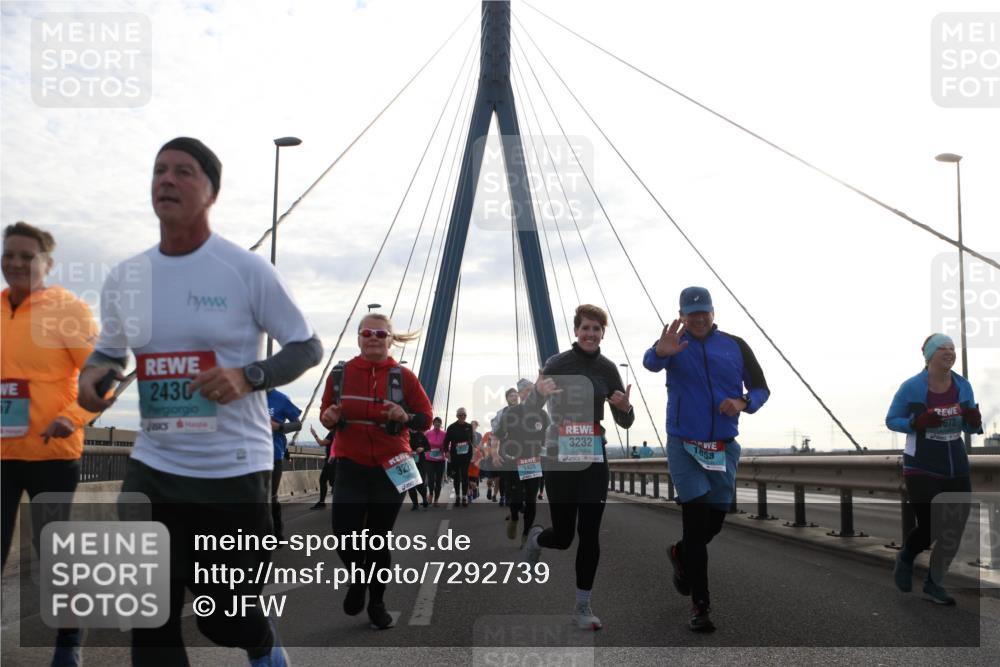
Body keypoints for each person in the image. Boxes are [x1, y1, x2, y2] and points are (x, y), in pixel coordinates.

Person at [78, 137, 323, 666]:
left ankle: (261, 646)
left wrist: (249, 375)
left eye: (183, 172)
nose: (166, 179)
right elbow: (107, 352)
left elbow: (307, 347)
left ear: (211, 192)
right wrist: (93, 374)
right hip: (152, 470)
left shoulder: (246, 270)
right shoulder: (126, 277)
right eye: (159, 170)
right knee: (150, 620)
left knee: (223, 617)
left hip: (232, 474)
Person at [642, 286, 769, 633]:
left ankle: (681, 554)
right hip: (685, 445)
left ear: (713, 313)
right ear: (682, 314)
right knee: (696, 525)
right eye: (691, 312)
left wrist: (743, 402)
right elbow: (651, 362)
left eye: (704, 311)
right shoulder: (674, 344)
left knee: (714, 521)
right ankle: (701, 605)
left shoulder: (735, 345)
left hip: (723, 447)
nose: (698, 318)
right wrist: (659, 350)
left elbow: (760, 388)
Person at [1, 221, 99, 666]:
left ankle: (68, 643)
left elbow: (104, 378)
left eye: (27, 256)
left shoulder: (67, 309)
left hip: (53, 455)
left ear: (47, 263)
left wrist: (72, 416)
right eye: (9, 254)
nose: (16, 263)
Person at [521, 304, 634, 630]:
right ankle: (538, 540)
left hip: (594, 453)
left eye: (597, 329)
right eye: (586, 328)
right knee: (564, 535)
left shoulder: (609, 369)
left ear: (602, 333)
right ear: (576, 330)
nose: (590, 334)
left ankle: (582, 607)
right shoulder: (557, 363)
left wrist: (626, 408)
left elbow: (624, 421)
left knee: (589, 532)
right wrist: (536, 396)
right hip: (559, 453)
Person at [319, 312, 432, 628]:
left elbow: (425, 417)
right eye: (367, 332)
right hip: (351, 463)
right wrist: (328, 416)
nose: (373, 337)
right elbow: (325, 412)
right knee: (344, 536)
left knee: (377, 540)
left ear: (391, 339)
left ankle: (377, 603)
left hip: (392, 464)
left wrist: (405, 416)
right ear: (358, 337)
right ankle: (358, 580)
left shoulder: (403, 377)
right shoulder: (340, 374)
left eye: (381, 334)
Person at [886, 333, 982, 605]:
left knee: (954, 528)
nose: (950, 353)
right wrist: (915, 423)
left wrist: (974, 423)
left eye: (953, 349)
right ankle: (906, 557)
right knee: (932, 524)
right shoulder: (911, 387)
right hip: (921, 465)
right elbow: (892, 419)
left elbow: (970, 426)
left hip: (955, 463)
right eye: (944, 349)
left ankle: (934, 583)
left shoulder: (963, 386)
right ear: (929, 354)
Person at [494, 378, 548, 547]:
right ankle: (515, 517)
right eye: (527, 391)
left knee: (531, 499)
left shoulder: (542, 414)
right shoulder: (510, 413)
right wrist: (495, 454)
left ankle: (526, 533)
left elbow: (549, 439)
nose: (531, 394)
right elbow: (497, 435)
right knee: (515, 499)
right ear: (520, 394)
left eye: (533, 391)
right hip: (513, 461)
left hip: (533, 461)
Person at [267, 389, 301, 540]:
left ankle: (277, 532)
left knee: (271, 496)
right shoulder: (247, 396)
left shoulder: (281, 399)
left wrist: (279, 427)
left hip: (274, 454)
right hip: (250, 455)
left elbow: (297, 424)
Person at [444, 408, 475, 507]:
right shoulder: (451, 427)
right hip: (455, 455)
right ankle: (457, 496)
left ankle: (464, 496)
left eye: (464, 415)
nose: (462, 417)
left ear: (466, 416)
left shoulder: (469, 426)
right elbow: (446, 441)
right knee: (456, 476)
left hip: (466, 455)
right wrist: (446, 452)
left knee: (465, 474)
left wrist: (473, 452)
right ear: (457, 416)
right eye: (460, 415)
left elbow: (472, 440)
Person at [310, 426, 336, 510]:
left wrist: (314, 434)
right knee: (330, 481)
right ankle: (322, 502)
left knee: (326, 481)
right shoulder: (338, 433)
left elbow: (321, 443)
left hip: (331, 461)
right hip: (335, 461)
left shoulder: (332, 433)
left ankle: (322, 503)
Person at [424, 417, 446, 507]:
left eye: (439, 423)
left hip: (440, 460)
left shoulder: (444, 434)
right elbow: (423, 444)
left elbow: (447, 445)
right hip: (429, 460)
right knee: (431, 479)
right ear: (433, 423)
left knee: (438, 481)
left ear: (441, 424)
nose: (437, 424)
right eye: (436, 422)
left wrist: (444, 450)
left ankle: (436, 499)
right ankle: (431, 494)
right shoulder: (427, 433)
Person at [408, 427, 430, 510]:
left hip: (420, 462)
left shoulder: (421, 435)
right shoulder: (405, 434)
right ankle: (415, 504)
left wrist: (422, 448)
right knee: (410, 484)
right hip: (408, 462)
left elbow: (428, 447)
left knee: (419, 482)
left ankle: (424, 498)